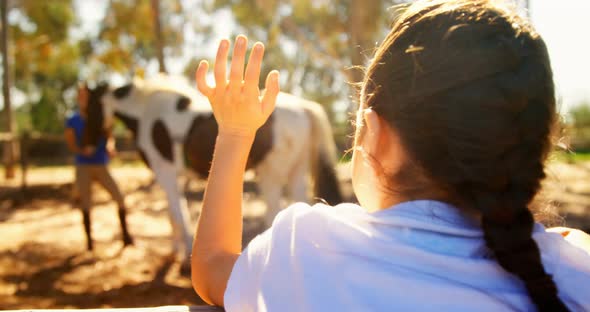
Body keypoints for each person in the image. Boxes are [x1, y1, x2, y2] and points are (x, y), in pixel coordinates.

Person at [191, 1, 590, 311]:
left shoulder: (308, 246)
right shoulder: (568, 276)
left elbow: (211, 264)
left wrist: (236, 132)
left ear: (378, 136)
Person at [65, 83, 133, 251]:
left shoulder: (100, 116)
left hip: (102, 165)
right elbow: (71, 144)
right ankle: (89, 243)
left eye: (85, 95)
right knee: (86, 205)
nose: (83, 98)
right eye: (80, 95)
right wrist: (82, 150)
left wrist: (110, 146)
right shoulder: (72, 119)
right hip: (83, 167)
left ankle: (126, 236)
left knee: (120, 199)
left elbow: (109, 136)